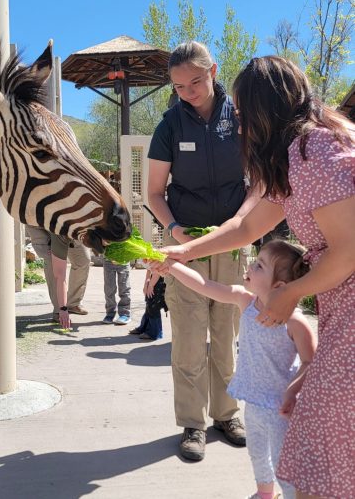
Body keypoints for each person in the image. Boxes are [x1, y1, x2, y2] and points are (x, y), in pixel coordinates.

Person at [153, 56, 355, 498]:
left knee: (326, 454)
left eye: (245, 116)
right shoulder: (297, 158)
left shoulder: (314, 152)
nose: (241, 129)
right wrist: (182, 251)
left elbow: (349, 248)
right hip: (341, 309)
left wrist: (293, 293)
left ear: (268, 112)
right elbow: (245, 228)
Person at [148, 40, 262, 461]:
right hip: (188, 246)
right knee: (191, 340)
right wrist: (176, 233)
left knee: (229, 337)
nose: (189, 91)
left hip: (234, 245)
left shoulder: (242, 119)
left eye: (196, 81)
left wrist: (243, 226)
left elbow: (261, 182)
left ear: (213, 70)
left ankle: (227, 414)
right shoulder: (169, 127)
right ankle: (192, 425)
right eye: (179, 86)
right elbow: (156, 193)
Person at [159, 239, 316, 499]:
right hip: (253, 402)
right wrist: (171, 266)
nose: (251, 266)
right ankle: (264, 493)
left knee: (283, 463)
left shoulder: (295, 322)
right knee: (256, 452)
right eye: (256, 261)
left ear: (279, 286)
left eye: (260, 266)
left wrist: (293, 390)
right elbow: (204, 285)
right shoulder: (246, 301)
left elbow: (311, 361)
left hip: (282, 409)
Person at [26, 226, 91, 324]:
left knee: (83, 260)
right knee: (53, 265)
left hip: (69, 227)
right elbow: (60, 276)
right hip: (40, 224)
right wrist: (62, 309)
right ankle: (58, 309)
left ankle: (73, 303)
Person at [129, 270, 167, 340]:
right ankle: (144, 328)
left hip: (160, 278)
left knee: (154, 306)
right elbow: (149, 269)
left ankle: (155, 333)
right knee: (149, 304)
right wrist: (146, 284)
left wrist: (151, 285)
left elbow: (157, 270)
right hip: (154, 277)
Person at [102, 258, 131, 325]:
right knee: (109, 289)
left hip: (123, 260)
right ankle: (110, 313)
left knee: (124, 288)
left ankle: (125, 314)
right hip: (108, 260)